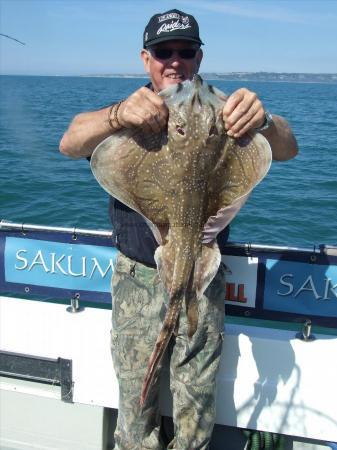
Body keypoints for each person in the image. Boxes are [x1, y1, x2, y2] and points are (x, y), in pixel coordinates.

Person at [60, 9, 298, 450]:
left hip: (204, 276)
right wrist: (117, 116)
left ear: (199, 57)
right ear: (145, 59)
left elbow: (287, 147)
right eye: (162, 52)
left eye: (184, 51)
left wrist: (261, 119)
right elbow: (70, 141)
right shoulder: (129, 112)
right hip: (138, 280)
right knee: (136, 410)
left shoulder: (226, 111)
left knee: (196, 415)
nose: (174, 60)